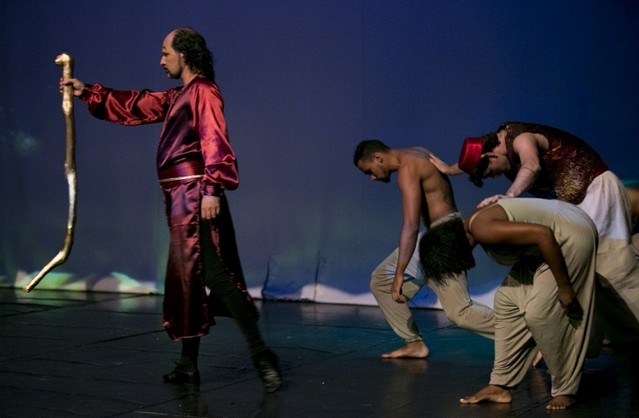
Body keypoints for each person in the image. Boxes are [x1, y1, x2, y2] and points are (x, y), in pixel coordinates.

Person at [59, 27, 281, 392]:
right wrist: (88, 92)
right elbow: (138, 104)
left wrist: (212, 189)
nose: (161, 60)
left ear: (185, 54)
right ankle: (187, 365)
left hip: (196, 197)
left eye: (165, 53)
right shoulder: (182, 95)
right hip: (180, 200)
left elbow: (215, 139)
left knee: (216, 277)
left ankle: (261, 354)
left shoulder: (204, 92)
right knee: (188, 281)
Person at [430, 121, 639, 341]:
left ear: (490, 157)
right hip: (574, 205)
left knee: (613, 268)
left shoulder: (521, 139)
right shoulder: (494, 149)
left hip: (595, 192)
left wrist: (509, 196)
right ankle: (602, 333)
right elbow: (473, 157)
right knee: (583, 270)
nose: (494, 177)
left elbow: (531, 165)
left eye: (490, 173)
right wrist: (449, 170)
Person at [420, 197, 597, 410]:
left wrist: (564, 286)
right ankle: (500, 385)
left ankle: (565, 389)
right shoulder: (474, 225)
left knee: (539, 313)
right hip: (547, 246)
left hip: (570, 235)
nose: (460, 268)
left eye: (454, 262)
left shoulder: (482, 229)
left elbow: (544, 234)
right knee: (506, 301)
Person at [353, 140, 494, 359]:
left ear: (378, 158)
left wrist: (400, 273)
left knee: (460, 313)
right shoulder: (418, 151)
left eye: (368, 171)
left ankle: (525, 335)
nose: (372, 177)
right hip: (433, 236)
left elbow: (410, 225)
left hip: (444, 238)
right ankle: (414, 343)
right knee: (381, 281)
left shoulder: (407, 169)